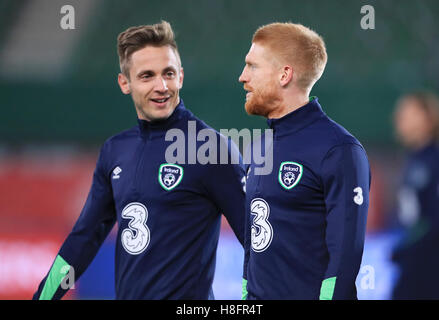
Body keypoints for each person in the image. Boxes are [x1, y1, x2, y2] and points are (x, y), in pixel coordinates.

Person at [33, 21, 245, 300]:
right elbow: (84, 238)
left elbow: (259, 240)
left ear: (180, 76)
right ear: (125, 83)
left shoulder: (210, 148)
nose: (161, 86)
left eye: (168, 73)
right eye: (147, 76)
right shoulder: (115, 151)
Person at [238, 22, 370, 300]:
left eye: (252, 66)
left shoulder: (338, 150)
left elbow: (345, 254)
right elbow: (254, 246)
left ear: (285, 75)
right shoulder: (258, 148)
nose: (242, 77)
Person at [391, 91, 439, 299]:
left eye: (407, 113)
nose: (399, 119)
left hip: (428, 260)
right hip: (415, 259)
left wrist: (410, 246)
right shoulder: (413, 160)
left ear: (427, 118)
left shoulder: (433, 161)